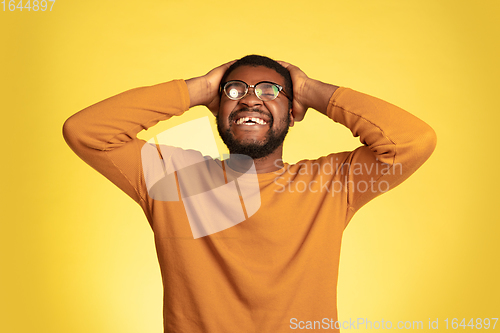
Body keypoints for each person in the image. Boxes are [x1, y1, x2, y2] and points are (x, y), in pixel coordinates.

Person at [63, 55, 436, 332]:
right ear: (217, 110)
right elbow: (85, 131)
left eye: (271, 92)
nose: (251, 100)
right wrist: (200, 89)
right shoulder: (170, 179)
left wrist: (309, 90)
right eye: (235, 91)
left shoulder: (332, 183)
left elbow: (412, 141)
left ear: (292, 113)